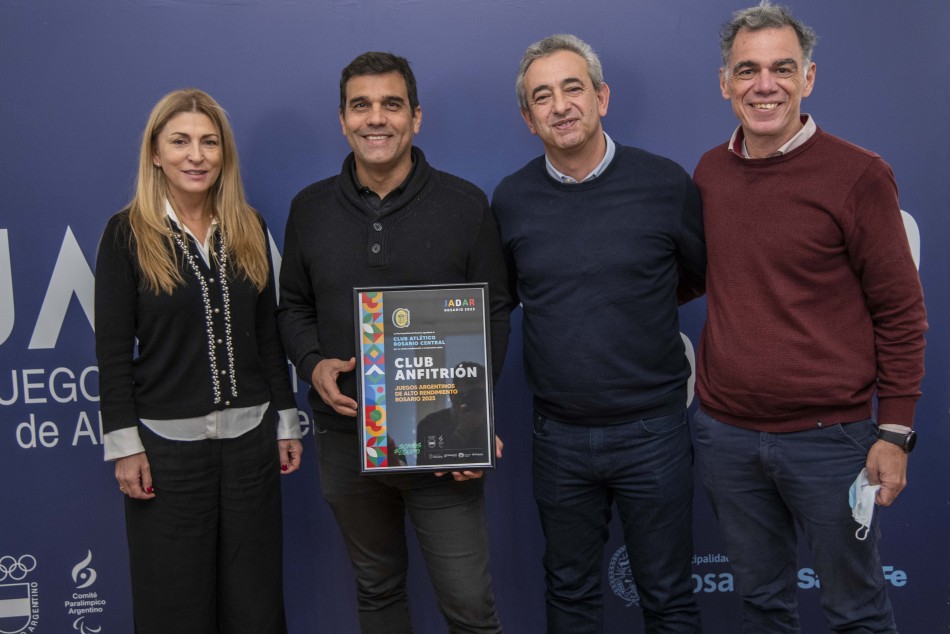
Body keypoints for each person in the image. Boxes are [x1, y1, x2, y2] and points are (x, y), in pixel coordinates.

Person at [692, 3, 927, 632]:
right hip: (727, 438)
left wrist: (895, 432)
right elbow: (693, 273)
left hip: (832, 441)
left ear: (809, 78)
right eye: (747, 70)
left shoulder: (859, 175)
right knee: (762, 607)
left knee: (857, 612)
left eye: (783, 68)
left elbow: (901, 311)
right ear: (725, 83)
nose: (764, 85)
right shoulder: (710, 172)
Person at [277, 52, 510, 633]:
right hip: (346, 440)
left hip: (441, 442)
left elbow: (494, 313)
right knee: (377, 590)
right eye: (361, 106)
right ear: (343, 120)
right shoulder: (309, 209)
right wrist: (311, 364)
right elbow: (293, 308)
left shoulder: (465, 205)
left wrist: (473, 418)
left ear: (416, 117)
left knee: (470, 607)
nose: (376, 118)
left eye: (391, 104)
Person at [492, 34, 705, 633]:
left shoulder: (665, 183)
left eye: (573, 88)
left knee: (668, 595)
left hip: (653, 431)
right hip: (558, 436)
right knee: (569, 593)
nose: (560, 106)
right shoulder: (511, 199)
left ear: (602, 97)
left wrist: (632, 302)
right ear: (528, 118)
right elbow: (503, 298)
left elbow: (694, 274)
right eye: (542, 96)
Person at [94, 88, 303, 634]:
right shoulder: (126, 234)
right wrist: (125, 446)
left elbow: (268, 336)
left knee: (255, 606)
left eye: (209, 142)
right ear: (155, 153)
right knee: (174, 608)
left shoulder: (249, 226)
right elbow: (112, 351)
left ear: (224, 154)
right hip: (165, 453)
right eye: (180, 141)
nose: (196, 155)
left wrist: (286, 421)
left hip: (251, 446)